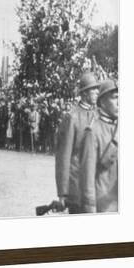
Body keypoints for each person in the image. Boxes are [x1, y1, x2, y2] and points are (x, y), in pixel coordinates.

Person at [54, 72, 100, 214]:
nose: (97, 92)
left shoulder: (98, 114)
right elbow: (64, 157)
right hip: (77, 188)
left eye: (97, 89)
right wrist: (63, 192)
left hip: (95, 186)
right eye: (94, 89)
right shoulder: (71, 117)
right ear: (85, 93)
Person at [79, 79, 118, 213]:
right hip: (104, 206)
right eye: (115, 98)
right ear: (102, 102)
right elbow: (88, 177)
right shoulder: (92, 131)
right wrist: (90, 210)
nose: (120, 103)